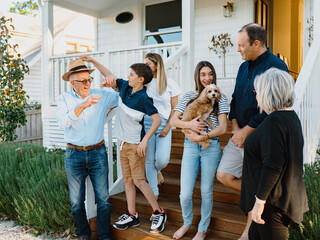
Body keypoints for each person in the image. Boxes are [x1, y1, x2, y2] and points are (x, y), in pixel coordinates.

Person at [215, 23, 289, 240]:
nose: (238, 49)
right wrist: (236, 128)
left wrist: (247, 131)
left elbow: (274, 106)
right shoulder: (242, 66)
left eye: (241, 45)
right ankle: (265, 197)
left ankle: (248, 233)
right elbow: (236, 98)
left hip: (260, 137)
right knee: (223, 175)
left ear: (256, 43)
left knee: (255, 183)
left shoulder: (276, 67)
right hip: (239, 133)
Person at [81, 57, 167, 233]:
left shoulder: (144, 98)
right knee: (127, 180)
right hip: (123, 143)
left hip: (136, 145)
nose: (128, 76)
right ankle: (132, 214)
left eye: (131, 74)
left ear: (140, 79)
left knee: (139, 181)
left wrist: (145, 141)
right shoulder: (125, 87)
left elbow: (157, 120)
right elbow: (109, 75)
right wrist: (93, 61)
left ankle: (158, 212)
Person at [240, 68, 308, 240]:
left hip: (272, 204)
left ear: (267, 92)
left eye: (257, 91)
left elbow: (274, 165)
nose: (256, 96)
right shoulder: (291, 118)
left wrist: (259, 203)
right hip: (278, 200)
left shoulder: (274, 122)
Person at [56, 59, 119, 240]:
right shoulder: (64, 99)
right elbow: (62, 123)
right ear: (72, 83)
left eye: (89, 79)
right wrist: (82, 106)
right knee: (76, 203)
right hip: (74, 154)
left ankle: (104, 236)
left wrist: (112, 84)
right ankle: (85, 234)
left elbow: (123, 93)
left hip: (97, 153)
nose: (87, 83)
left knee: (104, 200)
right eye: (82, 81)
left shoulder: (101, 95)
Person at [170, 61, 229, 240]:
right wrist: (190, 125)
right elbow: (173, 121)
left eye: (210, 74)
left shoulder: (221, 98)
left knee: (205, 191)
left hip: (210, 146)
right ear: (198, 76)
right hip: (190, 145)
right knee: (185, 193)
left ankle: (202, 229)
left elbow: (223, 128)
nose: (207, 78)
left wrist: (202, 137)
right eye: (203, 74)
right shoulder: (188, 96)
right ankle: (187, 223)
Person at [143, 52, 181, 198]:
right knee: (149, 160)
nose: (145, 66)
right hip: (147, 123)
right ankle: (154, 193)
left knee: (162, 160)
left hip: (164, 123)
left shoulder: (170, 83)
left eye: (148, 64)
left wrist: (168, 127)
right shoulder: (143, 83)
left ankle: (158, 170)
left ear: (156, 65)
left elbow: (175, 108)